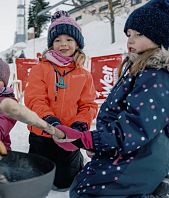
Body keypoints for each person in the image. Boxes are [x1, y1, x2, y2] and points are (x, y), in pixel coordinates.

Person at [52, 0, 169, 197]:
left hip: (140, 157)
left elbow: (135, 127)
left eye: (139, 34)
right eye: (129, 34)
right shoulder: (139, 69)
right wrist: (95, 144)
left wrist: (91, 140)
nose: (130, 40)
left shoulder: (156, 76)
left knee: (86, 192)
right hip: (124, 150)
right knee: (81, 186)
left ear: (160, 36)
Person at [24, 10, 98, 191]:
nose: (63, 44)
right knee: (37, 180)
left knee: (64, 183)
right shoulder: (40, 69)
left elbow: (88, 105)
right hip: (42, 133)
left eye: (69, 40)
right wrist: (49, 119)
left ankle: (75, 161)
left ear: (77, 43)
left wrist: (80, 124)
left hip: (68, 136)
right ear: (51, 44)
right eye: (57, 40)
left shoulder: (84, 74)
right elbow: (35, 98)